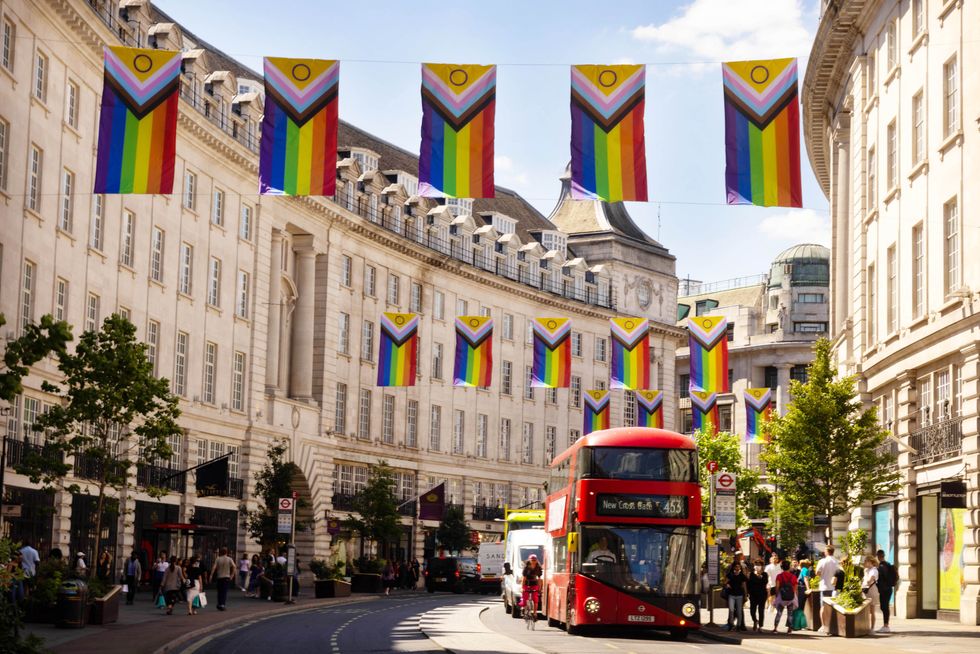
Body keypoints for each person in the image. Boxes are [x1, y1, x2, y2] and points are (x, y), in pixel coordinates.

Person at [816, 545, 840, 635]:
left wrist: (822, 574)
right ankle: (832, 626)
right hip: (834, 587)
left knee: (823, 607)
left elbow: (817, 572)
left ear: (826, 551)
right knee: (832, 607)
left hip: (824, 586)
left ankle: (823, 626)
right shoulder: (836, 561)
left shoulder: (822, 561)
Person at [772, 559, 799, 633]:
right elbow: (795, 588)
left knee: (779, 613)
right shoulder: (793, 576)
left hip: (782, 596)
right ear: (789, 567)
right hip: (791, 597)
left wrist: (777, 595)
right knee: (790, 613)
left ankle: (775, 628)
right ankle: (790, 629)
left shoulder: (779, 576)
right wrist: (795, 595)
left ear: (782, 567)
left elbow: (777, 587)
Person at [210, 546, 236, 611]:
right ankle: (222, 604)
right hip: (226, 577)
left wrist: (211, 575)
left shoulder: (218, 559)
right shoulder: (229, 559)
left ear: (221, 552)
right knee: (224, 591)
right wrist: (232, 575)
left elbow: (214, 567)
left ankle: (219, 603)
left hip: (219, 577)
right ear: (227, 552)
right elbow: (234, 567)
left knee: (219, 591)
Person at [876, 549, 896, 633]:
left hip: (884, 589)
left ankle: (886, 625)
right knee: (884, 607)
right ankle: (886, 625)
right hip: (888, 588)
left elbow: (881, 578)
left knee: (884, 607)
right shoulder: (888, 564)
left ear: (878, 556)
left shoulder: (881, 566)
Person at [725, 561, 748, 631]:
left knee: (739, 611)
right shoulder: (730, 574)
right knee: (731, 610)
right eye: (736, 566)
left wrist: (746, 594)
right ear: (733, 567)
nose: (737, 568)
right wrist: (727, 585)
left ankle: (738, 625)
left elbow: (744, 585)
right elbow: (725, 582)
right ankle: (731, 624)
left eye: (738, 566)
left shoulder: (742, 575)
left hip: (739, 595)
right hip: (731, 595)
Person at [747, 558, 768, 632]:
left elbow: (764, 582)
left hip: (762, 594)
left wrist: (759, 577)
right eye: (756, 565)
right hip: (753, 594)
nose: (757, 566)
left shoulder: (765, 574)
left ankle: (760, 626)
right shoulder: (751, 574)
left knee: (761, 610)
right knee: (752, 610)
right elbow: (749, 584)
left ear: (762, 566)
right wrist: (748, 593)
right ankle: (755, 620)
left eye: (759, 565)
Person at [862, 555, 880, 632]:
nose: (864, 563)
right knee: (866, 611)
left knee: (871, 611)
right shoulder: (866, 570)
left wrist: (868, 581)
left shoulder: (874, 570)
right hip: (866, 591)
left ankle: (872, 628)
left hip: (871, 591)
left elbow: (870, 580)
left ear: (870, 562)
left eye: (866, 561)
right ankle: (866, 627)